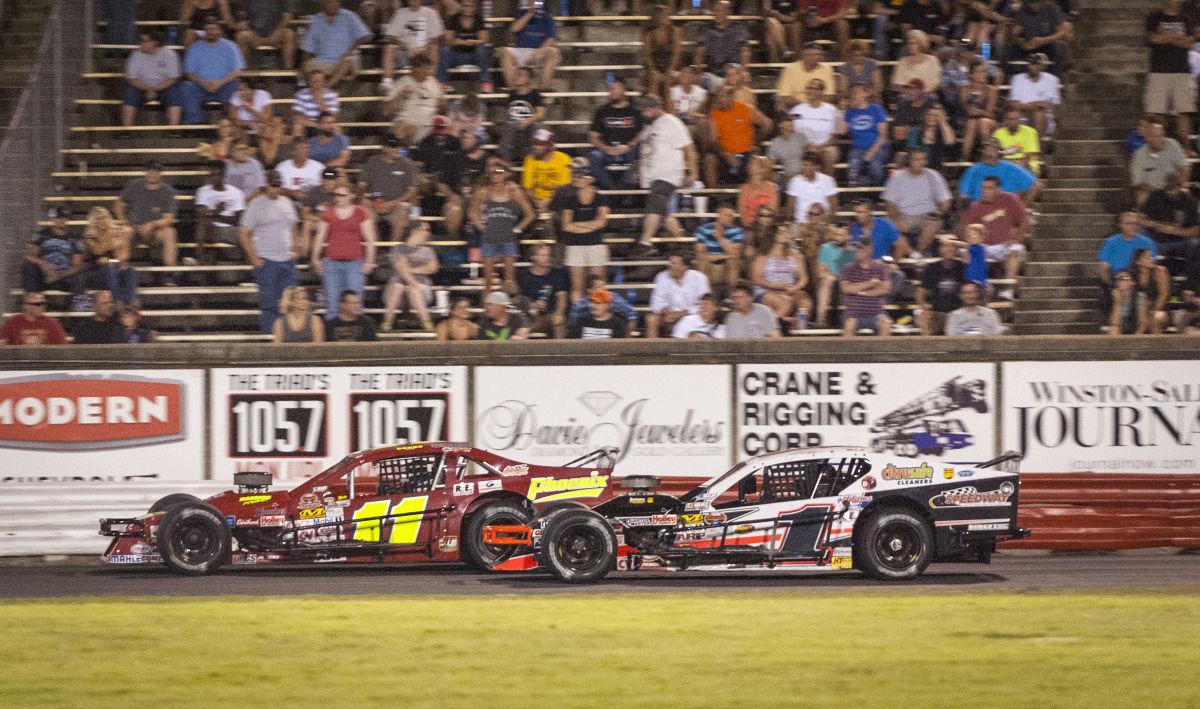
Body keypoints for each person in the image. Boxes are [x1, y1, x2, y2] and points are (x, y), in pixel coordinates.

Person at [239, 170, 300, 333]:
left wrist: (295, 247)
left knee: (291, 302)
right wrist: (254, 258)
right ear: (267, 184)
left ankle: (289, 337)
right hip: (267, 261)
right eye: (273, 185)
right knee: (269, 304)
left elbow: (293, 226)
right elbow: (244, 233)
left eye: (278, 185)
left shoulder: (287, 202)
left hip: (287, 260)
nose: (276, 189)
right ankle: (270, 338)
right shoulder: (256, 205)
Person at [636, 94, 697, 253]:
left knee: (654, 207)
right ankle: (683, 240)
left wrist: (693, 173)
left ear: (655, 108)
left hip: (666, 175)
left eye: (645, 110)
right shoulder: (650, 126)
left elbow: (688, 147)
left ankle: (645, 242)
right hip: (652, 177)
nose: (643, 114)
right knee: (662, 212)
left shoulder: (671, 122)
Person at [311, 183, 377, 318]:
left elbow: (370, 239)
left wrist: (369, 261)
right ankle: (332, 337)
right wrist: (315, 258)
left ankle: (356, 335)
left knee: (355, 304)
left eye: (342, 195)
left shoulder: (360, 212)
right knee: (332, 303)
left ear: (351, 196)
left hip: (354, 263)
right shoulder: (328, 212)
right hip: (331, 262)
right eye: (336, 195)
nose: (338, 198)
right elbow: (319, 237)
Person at [472, 162, 536, 294]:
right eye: (492, 172)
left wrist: (516, 229)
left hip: (508, 237)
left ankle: (510, 306)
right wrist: (482, 227)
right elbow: (472, 213)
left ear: (506, 174)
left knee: (509, 280)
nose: (495, 175)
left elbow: (530, 214)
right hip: (489, 238)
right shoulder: (483, 192)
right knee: (488, 280)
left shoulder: (514, 191)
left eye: (498, 172)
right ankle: (487, 308)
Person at [881, 150, 951, 258]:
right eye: (916, 159)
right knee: (886, 224)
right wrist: (895, 217)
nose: (920, 162)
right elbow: (889, 204)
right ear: (909, 161)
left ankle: (917, 253)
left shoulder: (933, 175)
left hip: (928, 214)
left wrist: (938, 213)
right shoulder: (897, 177)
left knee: (934, 223)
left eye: (922, 159)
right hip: (904, 214)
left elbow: (946, 201)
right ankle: (913, 254)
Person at [559, 161, 611, 302]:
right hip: (576, 246)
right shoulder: (569, 199)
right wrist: (591, 226)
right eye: (576, 176)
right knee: (577, 287)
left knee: (598, 285)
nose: (577, 179)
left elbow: (602, 222)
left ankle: (598, 312)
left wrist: (578, 226)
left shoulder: (600, 197)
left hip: (595, 244)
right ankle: (578, 316)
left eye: (581, 176)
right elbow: (566, 226)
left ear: (590, 179)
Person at [115, 162, 180, 276]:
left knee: (170, 232)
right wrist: (123, 220)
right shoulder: (135, 185)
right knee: (125, 231)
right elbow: (119, 204)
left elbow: (168, 218)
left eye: (156, 172)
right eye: (150, 171)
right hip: (134, 227)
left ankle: (170, 272)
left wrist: (154, 224)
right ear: (145, 172)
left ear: (160, 174)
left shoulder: (167, 191)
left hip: (154, 231)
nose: (152, 174)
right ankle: (120, 270)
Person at [179, 18, 245, 125]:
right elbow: (189, 72)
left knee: (236, 84)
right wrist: (204, 83)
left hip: (224, 86)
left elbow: (238, 70)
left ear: (220, 31)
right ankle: (195, 122)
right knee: (186, 86)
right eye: (207, 29)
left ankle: (228, 121)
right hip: (201, 86)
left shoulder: (231, 47)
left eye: (213, 28)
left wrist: (220, 82)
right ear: (204, 31)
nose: (210, 31)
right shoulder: (194, 48)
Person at [705, 85, 772, 186]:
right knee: (709, 159)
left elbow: (767, 124)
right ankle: (713, 196)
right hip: (725, 155)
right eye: (718, 97)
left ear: (731, 97)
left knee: (763, 162)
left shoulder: (745, 109)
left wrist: (756, 143)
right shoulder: (714, 114)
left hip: (747, 153)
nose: (719, 100)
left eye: (722, 96)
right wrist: (725, 154)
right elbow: (714, 141)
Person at [1098, 212, 1160, 316]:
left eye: (1135, 223)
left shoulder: (1148, 243)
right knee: (1122, 286)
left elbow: (1152, 265)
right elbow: (1103, 269)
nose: (1133, 226)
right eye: (1128, 223)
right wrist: (1111, 286)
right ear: (1121, 225)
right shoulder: (1110, 242)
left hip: (1140, 281)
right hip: (1118, 281)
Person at [381, 222, 438, 332]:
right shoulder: (398, 248)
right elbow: (401, 268)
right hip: (396, 290)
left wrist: (410, 270)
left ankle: (427, 324)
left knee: (413, 289)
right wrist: (413, 279)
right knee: (399, 286)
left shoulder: (428, 250)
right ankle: (386, 324)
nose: (428, 233)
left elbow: (433, 267)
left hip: (420, 291)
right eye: (425, 230)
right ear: (414, 231)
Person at [588, 76, 643, 189]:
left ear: (624, 90)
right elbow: (593, 137)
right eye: (611, 88)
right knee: (594, 156)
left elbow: (642, 134)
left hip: (628, 150)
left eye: (616, 88)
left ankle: (624, 187)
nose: (613, 91)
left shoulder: (635, 111)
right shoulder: (602, 111)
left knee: (639, 153)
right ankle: (610, 187)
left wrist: (628, 146)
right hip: (608, 151)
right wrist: (606, 148)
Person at [753, 222, 811, 330]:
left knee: (805, 301)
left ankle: (798, 329)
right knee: (785, 304)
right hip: (767, 290)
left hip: (789, 289)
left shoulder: (796, 255)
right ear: (773, 235)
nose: (786, 234)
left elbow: (804, 278)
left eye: (786, 232)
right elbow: (757, 279)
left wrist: (795, 288)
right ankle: (767, 330)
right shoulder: (763, 255)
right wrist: (778, 287)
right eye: (781, 232)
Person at [301, 0, 372, 86]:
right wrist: (306, 63)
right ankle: (319, 87)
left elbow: (365, 36)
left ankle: (327, 86)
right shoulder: (316, 20)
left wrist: (348, 52)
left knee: (349, 61)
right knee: (306, 65)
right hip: (324, 62)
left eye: (335, 2)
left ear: (339, 3)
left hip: (346, 59)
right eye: (329, 2)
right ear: (324, 3)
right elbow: (308, 47)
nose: (333, 4)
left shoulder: (350, 16)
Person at [122, 30, 183, 128]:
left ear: (155, 42)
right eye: (140, 41)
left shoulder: (169, 54)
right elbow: (132, 78)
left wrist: (156, 88)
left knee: (174, 92)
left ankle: (174, 129)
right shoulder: (135, 55)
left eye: (144, 41)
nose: (141, 44)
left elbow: (173, 77)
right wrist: (147, 88)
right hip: (142, 87)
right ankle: (126, 129)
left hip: (164, 87)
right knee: (130, 91)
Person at [22, 207, 86, 297]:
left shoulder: (74, 237)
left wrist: (59, 275)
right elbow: (29, 255)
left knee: (80, 274)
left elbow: (77, 265)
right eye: (59, 217)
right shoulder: (42, 234)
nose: (62, 220)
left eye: (65, 217)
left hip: (64, 277)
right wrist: (43, 264)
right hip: (45, 277)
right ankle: (33, 301)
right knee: (29, 266)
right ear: (52, 219)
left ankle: (80, 306)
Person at [380, 0, 444, 91]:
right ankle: (387, 81)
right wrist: (408, 47)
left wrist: (422, 48)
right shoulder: (400, 13)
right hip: (405, 51)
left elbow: (436, 38)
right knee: (390, 47)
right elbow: (391, 37)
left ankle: (429, 80)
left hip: (424, 52)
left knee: (434, 47)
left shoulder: (431, 13)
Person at [1140, 172, 1200, 266]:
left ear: (1180, 187)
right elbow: (1141, 220)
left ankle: (1190, 274)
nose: (1171, 192)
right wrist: (1156, 224)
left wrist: (1173, 230)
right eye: (1168, 189)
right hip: (1155, 240)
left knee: (1194, 243)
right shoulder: (1155, 196)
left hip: (1180, 241)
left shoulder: (1189, 202)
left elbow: (1196, 231)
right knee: (1141, 233)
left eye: (1174, 189)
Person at [645, 253, 711, 338]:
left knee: (691, 321)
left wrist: (681, 314)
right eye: (670, 262)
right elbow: (656, 301)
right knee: (651, 319)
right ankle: (652, 350)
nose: (669, 266)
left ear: (685, 267)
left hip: (691, 315)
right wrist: (666, 311)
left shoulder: (699, 278)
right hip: (669, 316)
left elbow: (705, 304)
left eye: (674, 263)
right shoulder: (661, 276)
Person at [958, 139, 1041, 206]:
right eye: (986, 150)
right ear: (982, 152)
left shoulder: (1011, 168)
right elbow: (963, 196)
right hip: (980, 212)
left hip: (1006, 213)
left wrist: (1022, 207)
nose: (989, 153)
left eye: (992, 150)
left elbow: (1036, 185)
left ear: (998, 152)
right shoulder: (973, 170)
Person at [500, 0, 561, 90]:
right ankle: (513, 89)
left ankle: (544, 89)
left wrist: (540, 51)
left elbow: (552, 39)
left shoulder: (547, 16)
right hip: (521, 50)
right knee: (506, 51)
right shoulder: (521, 13)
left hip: (539, 51)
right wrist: (529, 14)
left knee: (553, 52)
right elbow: (514, 29)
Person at [194, 160, 247, 264]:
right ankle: (199, 258)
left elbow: (238, 220)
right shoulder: (203, 191)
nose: (212, 177)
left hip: (231, 230)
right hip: (212, 230)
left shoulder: (236, 193)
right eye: (210, 174)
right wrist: (217, 212)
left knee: (245, 231)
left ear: (223, 175)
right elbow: (201, 215)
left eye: (215, 174)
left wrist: (214, 214)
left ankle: (248, 266)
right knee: (202, 223)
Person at [83, 206, 138, 305]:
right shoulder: (89, 237)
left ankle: (129, 305)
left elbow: (124, 257)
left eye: (104, 217)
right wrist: (116, 240)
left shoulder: (116, 234)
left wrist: (111, 260)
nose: (103, 221)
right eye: (99, 219)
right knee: (109, 268)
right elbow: (98, 251)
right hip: (96, 272)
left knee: (130, 270)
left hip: (115, 269)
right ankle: (117, 303)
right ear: (94, 222)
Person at [386, 54, 444, 144]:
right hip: (408, 121)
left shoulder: (433, 82)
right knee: (402, 127)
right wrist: (401, 96)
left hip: (428, 123)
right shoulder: (402, 82)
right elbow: (387, 111)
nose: (427, 72)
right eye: (423, 69)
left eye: (427, 69)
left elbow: (442, 106)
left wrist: (443, 99)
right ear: (414, 68)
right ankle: (402, 155)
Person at [839, 238, 892, 337]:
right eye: (856, 248)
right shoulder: (848, 268)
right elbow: (846, 288)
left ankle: (882, 352)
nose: (857, 251)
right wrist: (870, 283)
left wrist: (861, 292)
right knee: (849, 324)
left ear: (869, 249)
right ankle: (847, 352)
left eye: (860, 248)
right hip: (853, 313)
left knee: (886, 323)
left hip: (876, 313)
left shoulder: (880, 268)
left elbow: (885, 288)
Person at [1131, 121, 1192, 207]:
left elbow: (1185, 167)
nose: (1160, 140)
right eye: (1156, 136)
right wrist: (1160, 193)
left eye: (1161, 135)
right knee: (1142, 198)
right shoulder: (1139, 155)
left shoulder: (1173, 144)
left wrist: (1181, 185)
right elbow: (1139, 183)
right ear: (1148, 138)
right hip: (1152, 191)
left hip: (1174, 187)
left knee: (1186, 193)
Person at [693, 1, 751, 90]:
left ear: (729, 12)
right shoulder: (705, 29)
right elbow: (699, 54)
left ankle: (738, 103)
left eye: (721, 11)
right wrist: (698, 71)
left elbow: (745, 51)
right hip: (713, 75)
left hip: (734, 74)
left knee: (742, 80)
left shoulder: (739, 27)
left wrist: (743, 71)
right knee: (699, 80)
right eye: (715, 11)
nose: (717, 13)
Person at [916, 237, 967, 336]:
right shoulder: (931, 268)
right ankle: (929, 351)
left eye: (953, 246)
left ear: (957, 249)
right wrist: (922, 309)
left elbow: (974, 248)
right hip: (936, 313)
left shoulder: (963, 267)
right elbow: (920, 292)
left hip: (958, 313)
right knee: (923, 318)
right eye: (946, 246)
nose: (949, 249)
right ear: (940, 249)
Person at [517, 243, 570, 339]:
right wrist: (532, 305)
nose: (547, 258)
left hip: (549, 316)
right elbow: (520, 299)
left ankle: (559, 352)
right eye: (543, 255)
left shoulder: (557, 274)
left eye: (548, 255)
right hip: (529, 316)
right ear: (533, 257)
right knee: (521, 326)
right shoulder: (524, 276)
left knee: (558, 321)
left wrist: (559, 313)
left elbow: (562, 297)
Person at [437, 0, 491, 91]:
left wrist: (472, 42)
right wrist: (459, 42)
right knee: (445, 50)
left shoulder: (479, 19)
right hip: (456, 56)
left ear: (474, 7)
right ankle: (442, 83)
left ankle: (485, 82)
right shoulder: (453, 19)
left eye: (470, 6)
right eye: (465, 6)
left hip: (473, 56)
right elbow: (447, 41)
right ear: (461, 7)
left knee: (481, 50)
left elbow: (484, 40)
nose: (467, 9)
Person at [788, 78, 839, 174]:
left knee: (830, 154)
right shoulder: (796, 110)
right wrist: (806, 146)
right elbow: (791, 133)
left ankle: (826, 185)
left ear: (821, 92)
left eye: (813, 88)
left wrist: (819, 147)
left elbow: (834, 138)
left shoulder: (831, 110)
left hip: (825, 147)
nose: (809, 90)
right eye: (808, 88)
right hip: (802, 147)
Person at [843, 83, 890, 187]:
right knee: (853, 170)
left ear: (865, 93)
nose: (854, 95)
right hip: (857, 149)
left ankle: (876, 194)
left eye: (857, 92)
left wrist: (872, 152)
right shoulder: (850, 112)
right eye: (853, 93)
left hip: (878, 147)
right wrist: (843, 110)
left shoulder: (876, 109)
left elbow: (883, 135)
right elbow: (842, 131)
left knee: (875, 167)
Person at [498, 66, 545, 164]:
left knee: (535, 127)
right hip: (513, 126)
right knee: (508, 126)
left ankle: (533, 162)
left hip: (528, 126)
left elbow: (540, 114)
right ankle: (504, 162)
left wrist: (528, 121)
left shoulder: (535, 94)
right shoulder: (512, 94)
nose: (516, 77)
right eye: (516, 74)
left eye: (519, 75)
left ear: (527, 79)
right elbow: (508, 112)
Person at [1010, 0, 1072, 74]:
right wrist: (1023, 44)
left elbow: (1062, 33)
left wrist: (1043, 40)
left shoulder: (1052, 9)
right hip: (1030, 45)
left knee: (1059, 47)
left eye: (1036, 2)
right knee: (1009, 48)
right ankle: (1009, 74)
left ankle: (1055, 77)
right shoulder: (1022, 10)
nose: (1032, 5)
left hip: (1048, 45)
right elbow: (1014, 34)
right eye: (1030, 2)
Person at [1007, 52, 1060, 137]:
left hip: (1044, 116)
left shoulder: (1051, 80)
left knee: (1038, 115)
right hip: (1022, 114)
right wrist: (1035, 105)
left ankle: (1036, 148)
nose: (1032, 67)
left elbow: (1051, 105)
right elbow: (1013, 104)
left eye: (1036, 64)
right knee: (1015, 115)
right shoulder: (1018, 79)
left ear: (1041, 66)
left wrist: (1026, 106)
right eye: (1030, 64)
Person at [233, 0, 298, 70]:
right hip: (255, 35)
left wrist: (278, 30)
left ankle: (288, 71)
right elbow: (242, 19)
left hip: (275, 34)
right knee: (241, 36)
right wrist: (248, 26)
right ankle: (244, 72)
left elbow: (288, 16)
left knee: (289, 34)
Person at [694, 203, 745, 289]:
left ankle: (731, 295)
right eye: (726, 215)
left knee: (733, 260)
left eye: (731, 216)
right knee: (702, 262)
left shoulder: (737, 231)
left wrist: (719, 238)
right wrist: (725, 256)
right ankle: (706, 294)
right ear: (718, 215)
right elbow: (700, 255)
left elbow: (735, 254)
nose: (730, 218)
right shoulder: (703, 229)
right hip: (710, 265)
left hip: (727, 266)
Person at [641, 4, 683, 102]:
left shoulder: (675, 32)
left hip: (671, 68)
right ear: (657, 17)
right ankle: (652, 109)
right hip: (654, 68)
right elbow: (647, 57)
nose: (668, 17)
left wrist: (669, 71)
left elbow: (676, 55)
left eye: (668, 14)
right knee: (655, 79)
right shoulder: (649, 34)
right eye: (665, 15)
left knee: (670, 80)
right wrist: (654, 71)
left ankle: (670, 112)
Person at [521, 128, 572, 209]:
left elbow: (564, 187)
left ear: (549, 146)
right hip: (535, 201)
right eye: (534, 143)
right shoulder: (529, 159)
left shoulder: (564, 159)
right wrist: (536, 202)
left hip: (557, 200)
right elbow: (527, 187)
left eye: (540, 144)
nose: (535, 147)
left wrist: (550, 200)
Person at [776, 42, 837, 109]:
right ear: (803, 55)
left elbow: (830, 95)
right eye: (811, 55)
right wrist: (805, 107)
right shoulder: (790, 69)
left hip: (820, 108)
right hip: (796, 108)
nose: (815, 57)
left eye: (818, 55)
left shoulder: (827, 68)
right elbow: (784, 96)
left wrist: (815, 106)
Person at [815, 224, 853, 327]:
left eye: (841, 235)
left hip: (845, 284)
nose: (838, 237)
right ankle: (820, 320)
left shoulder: (853, 252)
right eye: (836, 234)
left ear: (849, 237)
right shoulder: (825, 248)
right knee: (827, 281)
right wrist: (833, 276)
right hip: (829, 283)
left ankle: (851, 320)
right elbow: (820, 272)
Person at [785, 152, 838, 224]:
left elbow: (834, 206)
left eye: (810, 165)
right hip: (801, 223)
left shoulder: (828, 180)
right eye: (804, 165)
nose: (806, 168)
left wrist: (826, 223)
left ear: (817, 167)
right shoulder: (794, 181)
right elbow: (790, 208)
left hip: (822, 223)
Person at [568, 275, 638, 325]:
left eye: (604, 286)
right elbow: (573, 324)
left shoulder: (614, 299)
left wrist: (626, 339)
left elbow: (632, 316)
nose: (604, 290)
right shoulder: (580, 306)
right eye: (599, 287)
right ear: (589, 290)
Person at [3, 293, 68, 345]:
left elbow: (62, 347)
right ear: (25, 306)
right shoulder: (12, 322)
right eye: (37, 304)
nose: (42, 307)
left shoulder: (52, 323)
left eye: (44, 304)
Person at [292, 68, 340, 137]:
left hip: (326, 124)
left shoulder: (332, 95)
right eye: (314, 81)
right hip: (308, 125)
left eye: (319, 81)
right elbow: (297, 118)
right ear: (309, 83)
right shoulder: (301, 94)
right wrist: (317, 125)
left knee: (336, 128)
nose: (317, 84)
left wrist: (321, 103)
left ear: (324, 82)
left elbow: (334, 118)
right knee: (297, 126)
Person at [993, 107, 1042, 175]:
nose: (1012, 122)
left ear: (1019, 119)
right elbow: (995, 154)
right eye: (1009, 119)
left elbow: (1028, 157)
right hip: (1004, 165)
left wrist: (1012, 163)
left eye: (1015, 119)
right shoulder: (998, 133)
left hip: (1026, 166)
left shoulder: (1030, 132)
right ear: (1005, 120)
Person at [739, 155, 781, 228]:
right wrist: (748, 226)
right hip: (748, 227)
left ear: (762, 169)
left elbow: (773, 211)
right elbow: (742, 212)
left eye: (753, 163)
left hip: (766, 227)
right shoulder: (744, 188)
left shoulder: (772, 188)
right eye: (749, 164)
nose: (749, 166)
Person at [767, 113, 807, 184]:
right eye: (788, 120)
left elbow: (809, 159)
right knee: (771, 176)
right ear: (780, 124)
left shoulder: (801, 137)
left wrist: (801, 174)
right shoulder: (775, 143)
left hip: (804, 173)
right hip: (786, 176)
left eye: (791, 120)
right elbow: (769, 166)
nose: (791, 122)